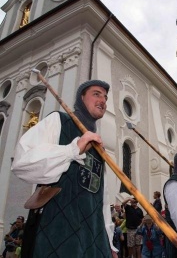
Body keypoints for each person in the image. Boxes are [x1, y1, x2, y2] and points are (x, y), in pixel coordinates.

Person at [11, 80, 117, 257]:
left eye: (105, 97)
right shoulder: (59, 120)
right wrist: (72, 150)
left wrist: (110, 242)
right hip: (57, 229)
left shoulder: (100, 148)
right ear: (81, 98)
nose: (103, 100)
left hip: (94, 237)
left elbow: (102, 199)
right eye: (96, 94)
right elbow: (21, 162)